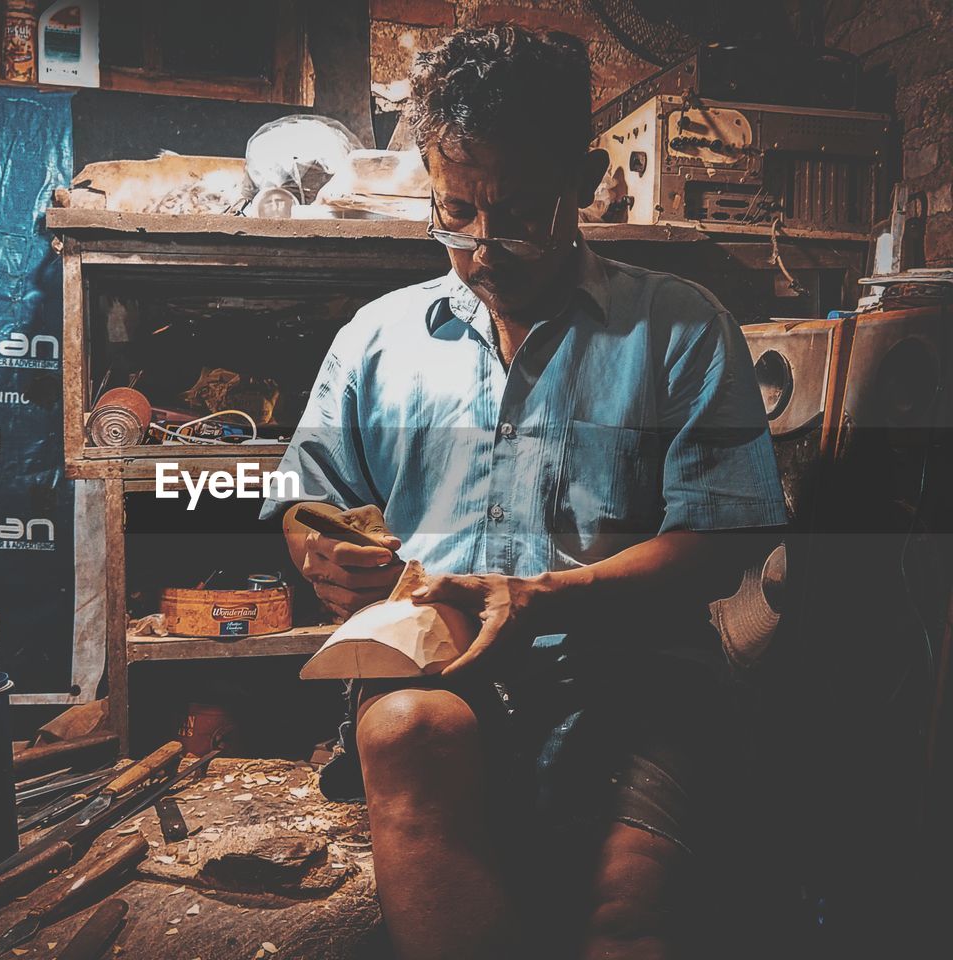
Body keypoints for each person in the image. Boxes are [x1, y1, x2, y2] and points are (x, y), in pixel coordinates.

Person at [261, 24, 786, 960]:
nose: (482, 247)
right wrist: (320, 552)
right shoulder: (379, 338)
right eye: (455, 211)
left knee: (625, 917)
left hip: (637, 680)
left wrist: (545, 594)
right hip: (439, 666)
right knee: (408, 727)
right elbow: (306, 498)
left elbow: (726, 534)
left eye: (519, 215)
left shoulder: (677, 325)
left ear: (582, 183)